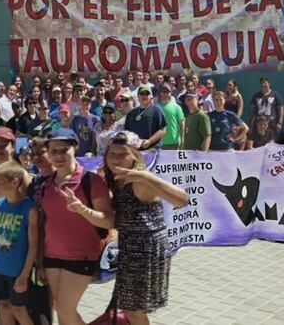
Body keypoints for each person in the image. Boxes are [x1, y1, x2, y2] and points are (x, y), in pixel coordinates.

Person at [104, 131, 188, 325]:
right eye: (111, 154)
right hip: (130, 247)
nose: (115, 159)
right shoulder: (117, 179)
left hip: (146, 249)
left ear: (134, 156)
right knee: (130, 307)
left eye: (122, 154)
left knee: (134, 310)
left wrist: (145, 177)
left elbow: (182, 199)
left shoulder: (140, 181)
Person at [38, 129, 112, 325]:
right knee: (62, 314)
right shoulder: (46, 184)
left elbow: (108, 220)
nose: (59, 155)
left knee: (65, 309)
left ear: (75, 148)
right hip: (51, 256)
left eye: (64, 150)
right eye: (54, 151)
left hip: (81, 256)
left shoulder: (91, 181)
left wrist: (82, 210)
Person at [0, 161, 38, 325]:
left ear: (15, 181)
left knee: (18, 309)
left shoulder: (29, 209)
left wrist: (24, 275)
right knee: (3, 306)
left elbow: (34, 245)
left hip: (17, 271)